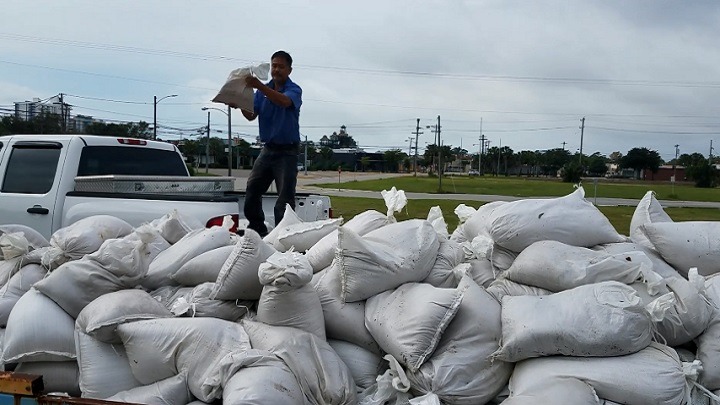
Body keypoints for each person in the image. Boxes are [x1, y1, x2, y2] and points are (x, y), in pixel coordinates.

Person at [239, 50, 302, 237]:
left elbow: (283, 102)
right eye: (274, 65)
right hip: (268, 149)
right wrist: (240, 102)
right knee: (252, 188)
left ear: (289, 70)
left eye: (281, 66)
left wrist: (259, 86)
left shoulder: (294, 90)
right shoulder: (261, 92)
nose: (276, 70)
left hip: (288, 152)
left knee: (285, 197)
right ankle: (257, 228)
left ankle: (283, 235)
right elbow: (251, 115)